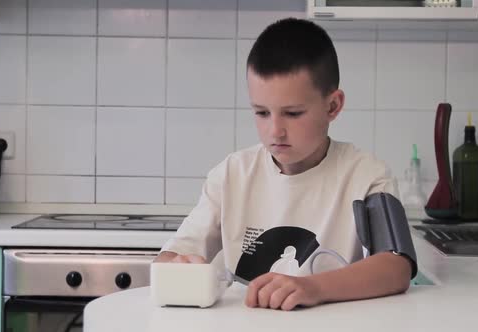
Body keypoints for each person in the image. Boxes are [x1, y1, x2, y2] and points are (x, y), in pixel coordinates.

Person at [155, 17, 413, 311]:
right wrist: (176, 266)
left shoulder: (367, 176)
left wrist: (312, 287)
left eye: (292, 113)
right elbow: (172, 256)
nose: (274, 131)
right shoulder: (230, 176)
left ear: (333, 106)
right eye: (262, 113)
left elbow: (396, 266)